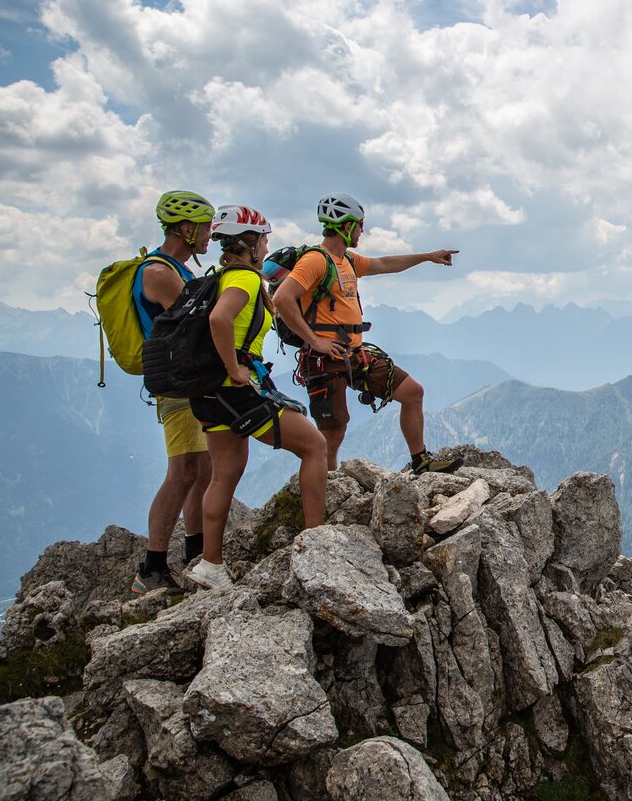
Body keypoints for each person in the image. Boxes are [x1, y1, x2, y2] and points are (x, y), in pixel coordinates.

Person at [185, 206, 328, 590]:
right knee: (314, 445)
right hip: (235, 390)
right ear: (249, 242)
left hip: (209, 393)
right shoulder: (244, 281)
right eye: (264, 239)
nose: (267, 245)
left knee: (225, 474)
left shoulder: (220, 277)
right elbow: (219, 320)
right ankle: (317, 543)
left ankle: (211, 565)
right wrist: (235, 369)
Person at [273, 193, 461, 475]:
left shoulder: (346, 260)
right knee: (332, 434)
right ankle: (326, 491)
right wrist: (314, 341)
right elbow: (282, 299)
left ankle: (420, 460)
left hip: (353, 354)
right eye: (360, 224)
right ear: (346, 226)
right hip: (325, 357)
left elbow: (384, 263)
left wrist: (427, 257)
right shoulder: (315, 261)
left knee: (412, 392)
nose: (363, 230)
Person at [132, 191, 215, 594]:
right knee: (182, 472)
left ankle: (195, 554)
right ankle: (151, 568)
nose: (209, 235)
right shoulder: (159, 272)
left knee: (204, 469)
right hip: (176, 385)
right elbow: (191, 325)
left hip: (190, 381)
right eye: (203, 228)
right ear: (185, 229)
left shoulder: (178, 271)